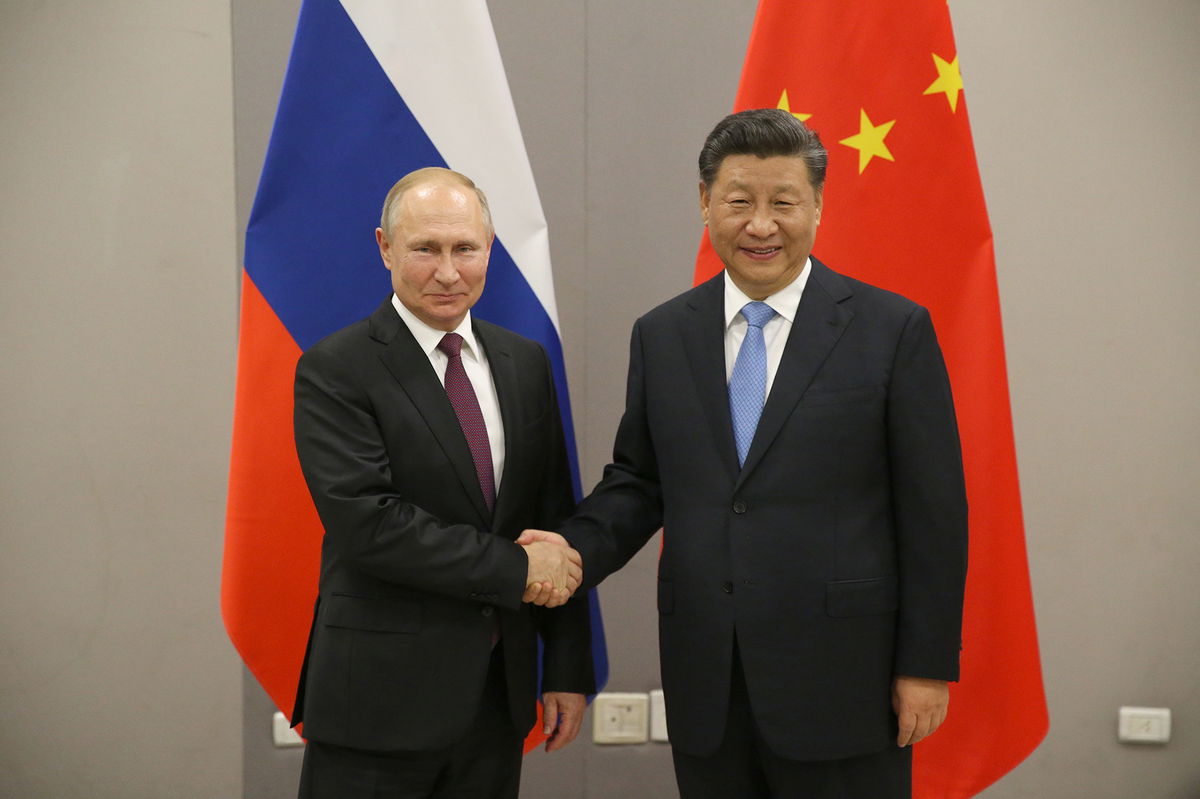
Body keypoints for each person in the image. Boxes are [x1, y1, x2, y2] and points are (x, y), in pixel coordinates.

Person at [521, 109, 968, 798]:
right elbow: (639, 483)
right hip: (710, 684)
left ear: (817, 205)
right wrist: (567, 552)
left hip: (846, 684)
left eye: (783, 202)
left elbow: (934, 512)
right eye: (739, 202)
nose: (761, 225)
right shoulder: (664, 334)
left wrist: (927, 663)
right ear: (705, 203)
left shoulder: (892, 331)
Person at [290, 167, 593, 799]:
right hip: (377, 701)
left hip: (495, 697)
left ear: (490, 248)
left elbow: (552, 517)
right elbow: (371, 526)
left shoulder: (524, 361)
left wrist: (566, 665)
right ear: (385, 248)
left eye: (466, 249)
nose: (448, 272)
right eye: (426, 249)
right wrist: (516, 567)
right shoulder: (335, 369)